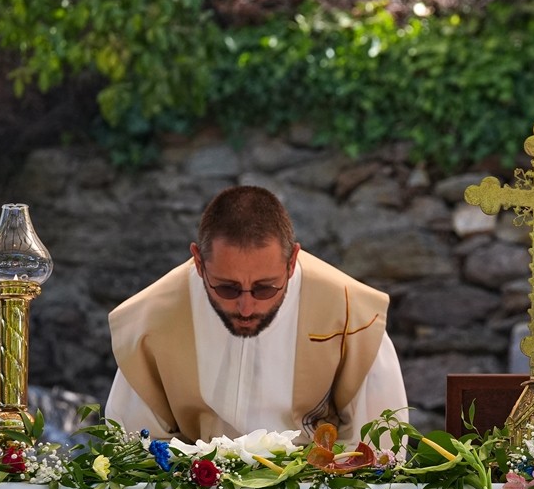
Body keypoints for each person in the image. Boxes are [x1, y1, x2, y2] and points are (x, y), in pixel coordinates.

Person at [105, 185, 407, 445]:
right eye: (227, 288)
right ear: (198, 263)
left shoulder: (351, 314)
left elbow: (378, 448)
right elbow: (134, 445)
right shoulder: (152, 319)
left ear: (291, 264)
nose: (246, 308)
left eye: (264, 289)